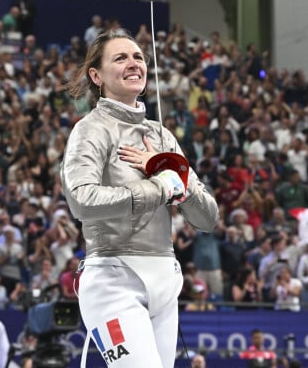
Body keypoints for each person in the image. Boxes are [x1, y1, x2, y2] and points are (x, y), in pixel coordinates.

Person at [61, 30, 219, 368]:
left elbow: (207, 218)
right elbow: (81, 200)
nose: (134, 64)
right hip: (113, 281)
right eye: (120, 58)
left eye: (138, 58)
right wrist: (160, 187)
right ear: (96, 76)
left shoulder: (161, 136)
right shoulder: (91, 129)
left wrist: (173, 174)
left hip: (165, 281)